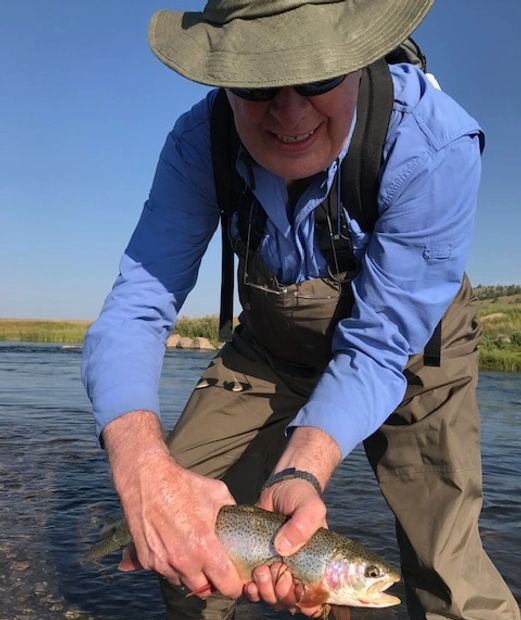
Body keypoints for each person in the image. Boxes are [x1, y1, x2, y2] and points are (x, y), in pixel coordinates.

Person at [81, 1, 521, 619]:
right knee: (181, 531)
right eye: (257, 83)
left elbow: (378, 345)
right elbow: (137, 305)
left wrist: (305, 467)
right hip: (271, 349)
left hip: (412, 352)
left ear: (357, 56)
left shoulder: (434, 143)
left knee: (445, 568)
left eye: (317, 75)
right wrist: (142, 469)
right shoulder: (197, 144)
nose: (289, 113)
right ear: (222, 76)